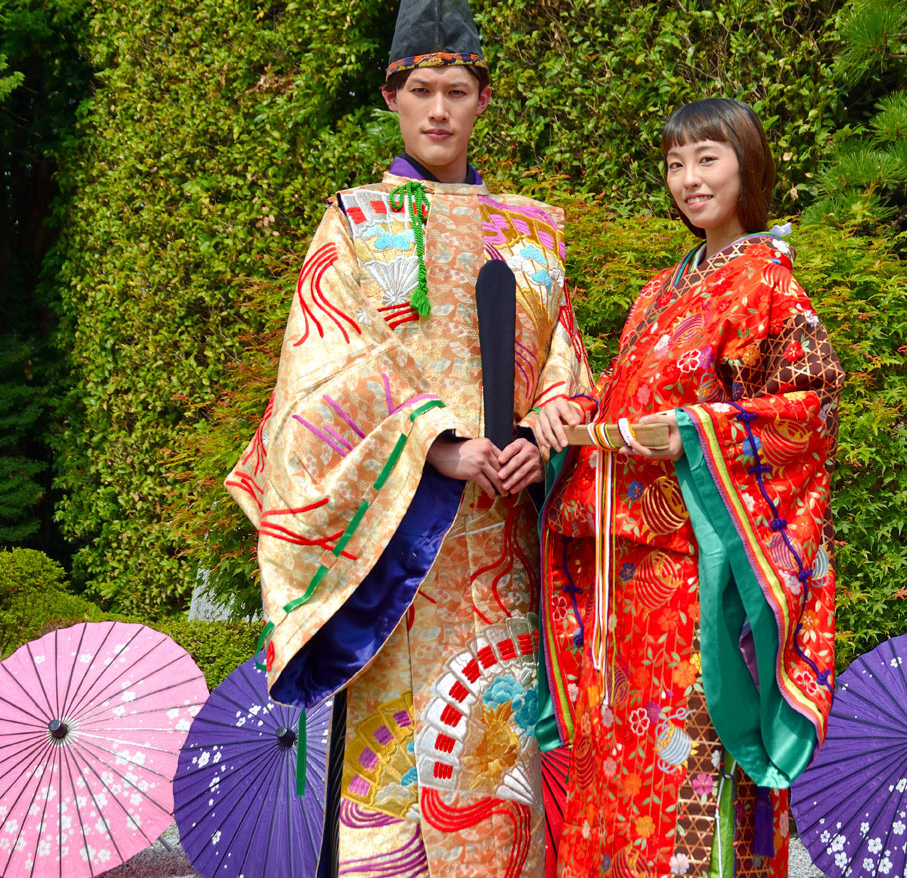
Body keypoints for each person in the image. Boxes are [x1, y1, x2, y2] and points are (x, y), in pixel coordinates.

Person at [223, 1, 591, 875]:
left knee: (500, 773)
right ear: (391, 96)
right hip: (396, 549)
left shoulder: (534, 233)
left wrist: (541, 435)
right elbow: (332, 368)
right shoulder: (354, 221)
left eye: (456, 91)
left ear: (482, 100)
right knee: (389, 775)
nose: (438, 110)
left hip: (503, 546)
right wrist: (442, 445)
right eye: (420, 90)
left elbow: (566, 367)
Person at [530, 98, 844, 877]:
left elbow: (812, 410)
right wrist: (564, 410)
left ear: (748, 163)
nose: (689, 179)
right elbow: (614, 396)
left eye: (708, 158)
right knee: (618, 758)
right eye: (675, 163)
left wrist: (702, 433)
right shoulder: (658, 289)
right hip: (625, 574)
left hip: (703, 576)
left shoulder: (770, 284)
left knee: (693, 759)